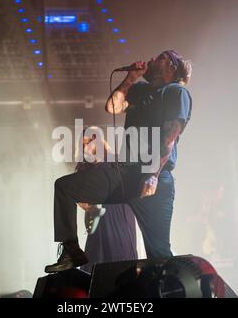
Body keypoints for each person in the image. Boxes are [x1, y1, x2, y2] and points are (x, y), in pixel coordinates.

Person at [45, 50, 193, 273]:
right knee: (65, 187)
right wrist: (131, 77)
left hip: (155, 178)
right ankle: (71, 251)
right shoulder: (141, 90)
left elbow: (171, 135)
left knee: (159, 252)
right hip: (124, 173)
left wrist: (152, 174)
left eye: (161, 57)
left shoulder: (176, 91)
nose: (153, 58)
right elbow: (113, 107)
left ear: (172, 67)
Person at [75, 130, 138, 273]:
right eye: (83, 145)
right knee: (94, 267)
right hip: (99, 223)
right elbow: (78, 198)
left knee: (121, 267)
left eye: (88, 143)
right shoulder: (84, 168)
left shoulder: (117, 162)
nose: (86, 149)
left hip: (120, 221)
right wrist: (89, 207)